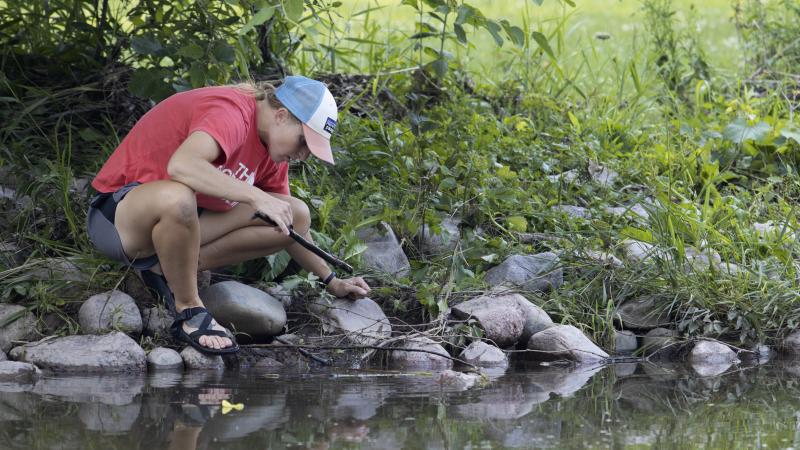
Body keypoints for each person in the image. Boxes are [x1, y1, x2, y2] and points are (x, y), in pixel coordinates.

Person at [87, 75, 371, 355]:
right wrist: (255, 196)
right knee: (178, 198)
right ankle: (189, 310)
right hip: (119, 220)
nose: (304, 156)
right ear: (282, 115)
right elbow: (182, 166)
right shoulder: (231, 112)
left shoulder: (270, 147)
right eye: (303, 143)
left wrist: (332, 281)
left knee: (294, 213)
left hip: (179, 228)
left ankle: (166, 269)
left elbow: (290, 228)